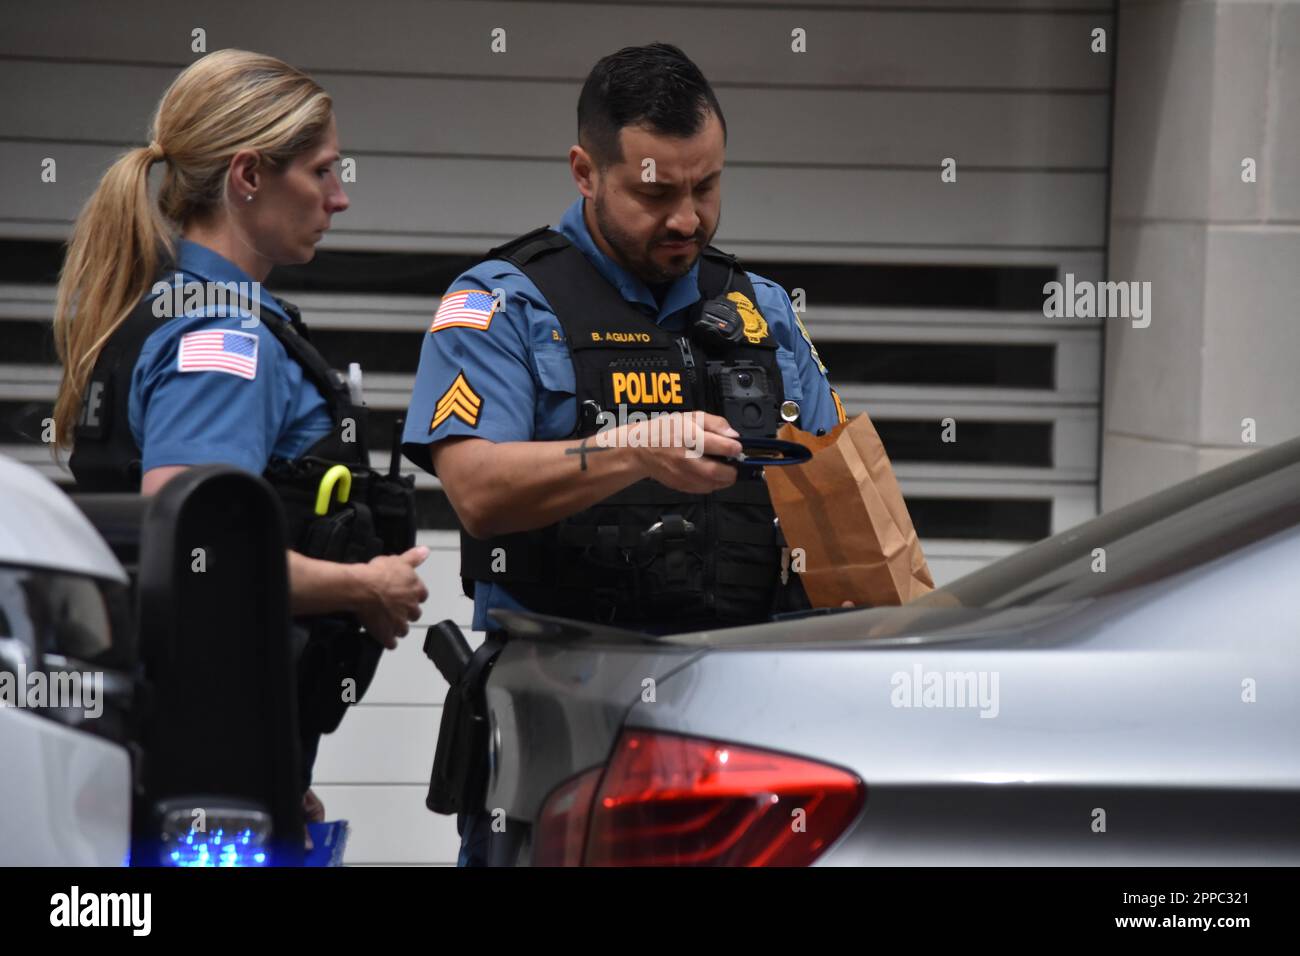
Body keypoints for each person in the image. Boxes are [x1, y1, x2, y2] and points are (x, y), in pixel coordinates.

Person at [402, 42, 848, 865]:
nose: (686, 218)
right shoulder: (499, 302)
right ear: (585, 170)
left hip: (741, 731)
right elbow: (476, 488)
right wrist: (630, 451)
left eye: (706, 186)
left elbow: (835, 494)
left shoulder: (763, 308)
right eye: (656, 191)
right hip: (562, 734)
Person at [51, 49, 429, 824]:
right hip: (201, 758)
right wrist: (368, 587)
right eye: (322, 172)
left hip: (187, 753)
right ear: (249, 177)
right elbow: (199, 557)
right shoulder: (222, 338)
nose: (340, 197)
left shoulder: (170, 309)